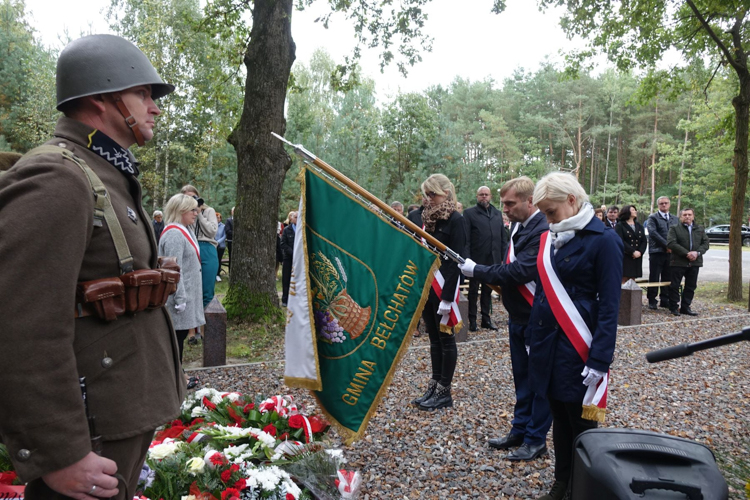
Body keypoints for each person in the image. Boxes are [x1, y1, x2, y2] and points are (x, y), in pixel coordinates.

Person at [0, 34, 184, 500]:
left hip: (114, 415)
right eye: (142, 93)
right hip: (87, 434)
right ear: (101, 97)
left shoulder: (104, 171)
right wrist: (59, 453)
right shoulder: (60, 176)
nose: (154, 107)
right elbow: (21, 327)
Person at [527, 172, 623, 500]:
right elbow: (544, 294)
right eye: (543, 213)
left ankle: (582, 489)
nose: (547, 219)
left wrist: (600, 358)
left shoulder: (604, 240)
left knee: (581, 425)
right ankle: (561, 482)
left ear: (571, 200)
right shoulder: (550, 237)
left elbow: (610, 306)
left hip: (579, 348)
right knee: (558, 417)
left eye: (551, 212)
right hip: (548, 345)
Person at [458, 177, 552, 462]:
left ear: (530, 201)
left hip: (537, 318)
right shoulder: (520, 227)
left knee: (538, 381)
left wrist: (477, 270)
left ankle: (536, 439)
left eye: (510, 203)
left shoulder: (542, 229)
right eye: (504, 203)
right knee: (522, 378)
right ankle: (520, 430)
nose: (505, 209)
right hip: (519, 316)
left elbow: (520, 272)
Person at [411, 174, 466, 411]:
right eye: (427, 194)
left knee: (446, 339)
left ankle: (445, 389)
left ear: (446, 193)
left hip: (444, 287)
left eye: (433, 193)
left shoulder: (456, 219)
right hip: (427, 287)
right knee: (433, 339)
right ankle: (434, 382)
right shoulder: (423, 218)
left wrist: (447, 296)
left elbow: (457, 260)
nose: (429, 198)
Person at [159, 194, 206, 366]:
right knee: (176, 338)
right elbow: (173, 269)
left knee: (180, 336)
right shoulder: (174, 234)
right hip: (179, 297)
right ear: (181, 211)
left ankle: (179, 373)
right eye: (193, 209)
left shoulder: (185, 230)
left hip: (186, 293)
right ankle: (176, 376)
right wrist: (179, 298)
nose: (197, 213)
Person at [462, 185, 507, 331]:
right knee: (473, 291)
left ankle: (486, 319)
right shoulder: (469, 213)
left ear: (491, 196)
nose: (484, 196)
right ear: (477, 196)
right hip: (476, 258)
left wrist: (503, 257)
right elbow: (466, 238)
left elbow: (502, 238)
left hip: (493, 258)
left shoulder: (497, 213)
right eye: (481, 194)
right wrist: (467, 258)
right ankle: (472, 320)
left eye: (486, 194)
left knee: (488, 290)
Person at [180, 185, 218, 308]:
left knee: (207, 289)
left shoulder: (209, 211)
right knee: (190, 288)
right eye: (187, 198)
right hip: (189, 247)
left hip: (207, 247)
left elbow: (212, 232)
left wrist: (199, 213)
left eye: (193, 197)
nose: (191, 201)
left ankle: (206, 324)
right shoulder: (182, 214)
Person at [667, 208, 709, 316]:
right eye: (684, 215)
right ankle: (674, 307)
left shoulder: (699, 229)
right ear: (680, 217)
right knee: (674, 285)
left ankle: (686, 307)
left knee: (691, 286)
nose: (687, 217)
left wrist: (697, 253)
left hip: (695, 262)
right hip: (678, 261)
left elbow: (705, 243)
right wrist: (687, 253)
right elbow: (671, 243)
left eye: (689, 214)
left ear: (693, 216)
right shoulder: (674, 228)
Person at [645, 196, 678, 309]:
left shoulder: (675, 219)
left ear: (669, 204)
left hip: (671, 253)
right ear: (658, 205)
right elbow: (653, 233)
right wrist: (666, 245)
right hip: (657, 251)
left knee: (668, 276)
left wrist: (673, 247)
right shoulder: (652, 218)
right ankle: (652, 299)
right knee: (654, 276)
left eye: (666, 203)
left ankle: (665, 299)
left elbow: (677, 234)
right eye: (661, 203)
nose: (664, 205)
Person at [614, 205, 647, 283]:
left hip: (637, 256)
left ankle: (632, 295)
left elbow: (643, 240)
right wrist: (632, 251)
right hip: (626, 256)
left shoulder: (639, 225)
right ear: (627, 211)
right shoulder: (620, 225)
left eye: (635, 210)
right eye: (632, 210)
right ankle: (623, 295)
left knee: (633, 279)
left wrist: (640, 252)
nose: (635, 211)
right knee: (624, 278)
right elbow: (620, 240)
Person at [280, 211, 297, 307]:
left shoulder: (302, 230)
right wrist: (293, 252)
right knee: (286, 279)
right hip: (288, 258)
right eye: (295, 217)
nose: (297, 219)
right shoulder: (287, 230)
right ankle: (285, 299)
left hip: (299, 259)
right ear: (291, 219)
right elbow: (283, 244)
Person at [215, 212, 227, 282]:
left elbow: (224, 236)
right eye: (216, 218)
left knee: (219, 260)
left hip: (221, 246)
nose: (217, 219)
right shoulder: (212, 226)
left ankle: (218, 274)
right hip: (213, 245)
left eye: (218, 218)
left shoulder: (223, 226)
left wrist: (218, 242)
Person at [225, 207, 234, 271]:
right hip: (231, 241)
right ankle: (230, 271)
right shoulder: (229, 220)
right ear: (232, 212)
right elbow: (227, 231)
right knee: (231, 257)